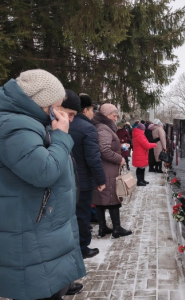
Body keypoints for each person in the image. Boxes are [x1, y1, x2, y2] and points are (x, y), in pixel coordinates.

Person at [0, 69, 85, 300]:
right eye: (54, 106)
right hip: (28, 232)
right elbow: (43, 171)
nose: (57, 113)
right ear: (41, 102)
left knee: (50, 289)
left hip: (36, 228)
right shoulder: (12, 126)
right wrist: (61, 137)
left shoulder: (25, 122)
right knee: (38, 292)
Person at [66, 91, 107, 258]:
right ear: (84, 110)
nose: (93, 113)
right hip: (82, 180)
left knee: (70, 215)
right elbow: (93, 158)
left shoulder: (62, 124)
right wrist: (101, 179)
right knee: (82, 215)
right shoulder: (87, 128)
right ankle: (82, 247)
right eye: (92, 110)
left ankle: (70, 245)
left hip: (65, 179)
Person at [92, 103, 132, 239]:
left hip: (106, 168)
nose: (115, 119)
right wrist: (119, 158)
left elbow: (106, 146)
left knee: (102, 198)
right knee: (112, 198)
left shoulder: (103, 128)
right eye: (114, 116)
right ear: (107, 115)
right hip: (107, 168)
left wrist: (120, 146)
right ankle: (116, 228)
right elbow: (104, 150)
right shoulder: (103, 129)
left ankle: (103, 228)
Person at [132, 122, 157, 186]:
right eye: (143, 129)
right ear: (141, 129)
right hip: (140, 154)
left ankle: (142, 180)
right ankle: (139, 181)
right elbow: (147, 145)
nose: (144, 130)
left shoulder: (137, 134)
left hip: (140, 153)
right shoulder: (140, 136)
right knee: (140, 168)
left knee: (141, 168)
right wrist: (155, 144)